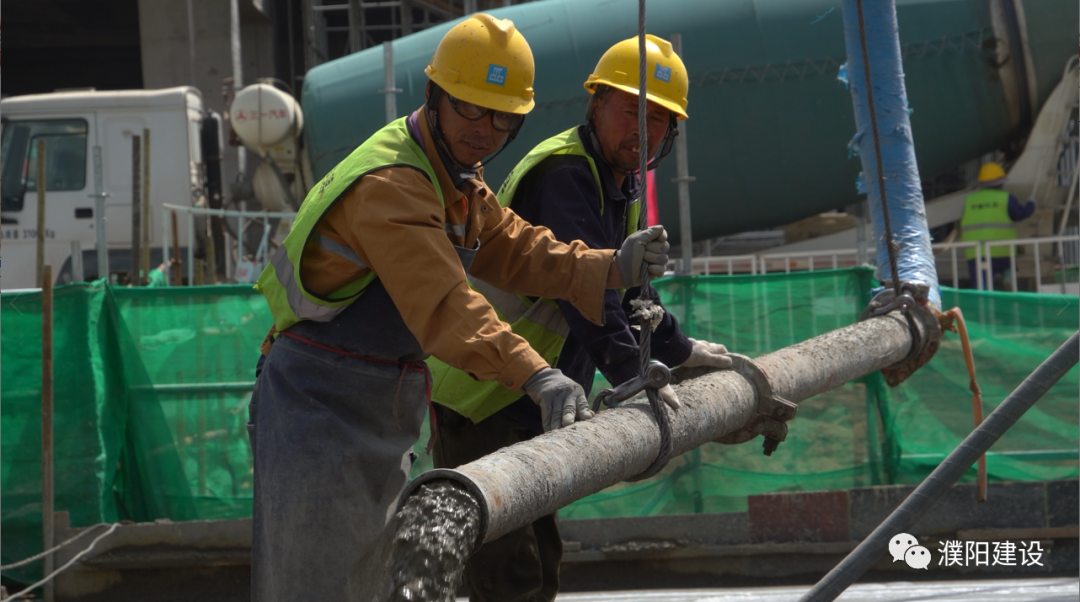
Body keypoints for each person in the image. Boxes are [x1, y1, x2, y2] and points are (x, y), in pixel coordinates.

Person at [247, 14, 671, 602]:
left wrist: (611, 267)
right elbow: (445, 305)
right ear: (435, 96)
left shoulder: (455, 178)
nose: (486, 129)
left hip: (379, 399)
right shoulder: (394, 183)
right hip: (315, 406)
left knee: (370, 579)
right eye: (470, 107)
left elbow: (516, 247)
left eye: (503, 116)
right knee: (317, 583)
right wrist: (536, 372)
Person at [426, 34, 733, 602]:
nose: (643, 129)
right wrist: (630, 373)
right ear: (596, 104)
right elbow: (585, 296)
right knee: (509, 576)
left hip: (539, 395)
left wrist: (679, 350)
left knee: (539, 564)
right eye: (630, 110)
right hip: (486, 393)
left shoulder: (620, 184)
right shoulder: (566, 173)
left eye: (661, 119)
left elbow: (630, 291)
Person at [960, 161, 1035, 289]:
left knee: (981, 288)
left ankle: (983, 305)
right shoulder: (1006, 198)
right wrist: (1031, 204)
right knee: (1009, 276)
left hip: (976, 253)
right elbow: (1020, 214)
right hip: (1002, 252)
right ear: (1000, 182)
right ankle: (1009, 295)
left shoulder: (969, 201)